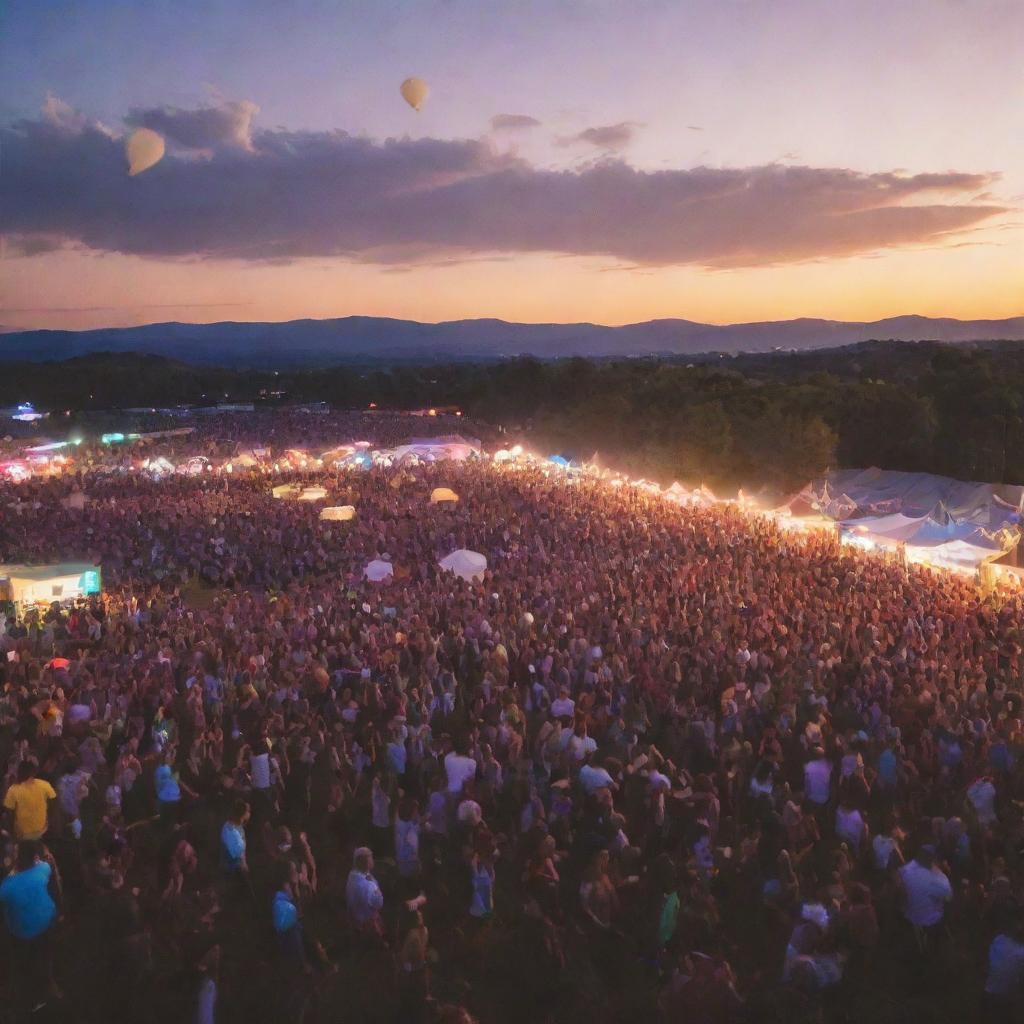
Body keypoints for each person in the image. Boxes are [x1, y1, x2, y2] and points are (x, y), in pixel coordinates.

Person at [0, 840, 61, 1007]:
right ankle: (49, 982)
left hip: (23, 932)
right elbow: (44, 868)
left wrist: (10, 872)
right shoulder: (43, 869)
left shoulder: (7, 886)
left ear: (15, 860)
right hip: (48, 920)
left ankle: (33, 997)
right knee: (45, 954)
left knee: (27, 960)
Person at [3, 760, 57, 841]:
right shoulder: (45, 785)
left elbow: (9, 812)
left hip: (22, 834)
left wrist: (12, 833)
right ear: (34, 773)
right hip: (42, 830)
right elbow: (54, 803)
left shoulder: (13, 789)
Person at [346, 847, 384, 940]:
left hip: (355, 922)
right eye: (370, 857)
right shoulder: (368, 885)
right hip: (369, 925)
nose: (372, 860)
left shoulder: (351, 876)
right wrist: (377, 889)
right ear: (365, 861)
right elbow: (379, 903)